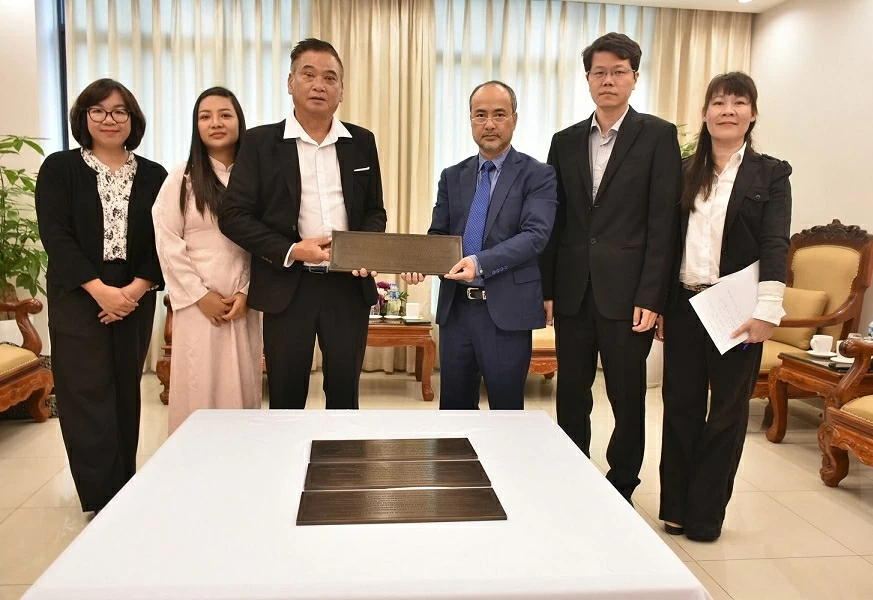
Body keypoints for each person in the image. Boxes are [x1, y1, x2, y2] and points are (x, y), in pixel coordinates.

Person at [539, 33, 681, 503]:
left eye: (618, 72)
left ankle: (622, 482)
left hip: (630, 297)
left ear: (634, 78)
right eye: (599, 72)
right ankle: (570, 469)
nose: (608, 80)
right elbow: (555, 220)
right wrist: (548, 288)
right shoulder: (564, 142)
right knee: (571, 393)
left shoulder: (658, 136)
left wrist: (653, 296)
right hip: (574, 290)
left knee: (627, 396)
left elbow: (664, 223)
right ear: (587, 80)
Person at [657, 72, 791, 541]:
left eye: (738, 102)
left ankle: (706, 515)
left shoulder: (771, 173)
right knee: (680, 408)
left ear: (752, 114)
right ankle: (674, 507)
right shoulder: (684, 169)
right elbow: (667, 243)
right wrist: (658, 305)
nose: (727, 110)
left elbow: (776, 245)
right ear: (706, 113)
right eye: (718, 102)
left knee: (727, 415)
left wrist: (768, 309)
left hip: (737, 308)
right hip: (686, 305)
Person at [218, 38, 386, 410]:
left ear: (341, 90)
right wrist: (293, 249)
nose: (319, 85)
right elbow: (233, 216)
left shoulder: (361, 141)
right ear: (290, 82)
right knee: (286, 394)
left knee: (345, 395)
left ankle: (342, 467)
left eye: (330, 77)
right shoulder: (260, 142)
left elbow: (376, 211)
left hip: (348, 287)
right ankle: (287, 467)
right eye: (308, 74)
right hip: (287, 287)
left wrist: (365, 246)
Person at [35, 78, 167, 513]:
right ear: (84, 117)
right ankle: (97, 497)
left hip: (135, 290)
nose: (110, 120)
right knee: (85, 391)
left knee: (124, 390)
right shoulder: (60, 168)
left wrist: (133, 290)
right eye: (99, 111)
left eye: (119, 112)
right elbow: (57, 236)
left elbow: (162, 241)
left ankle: (124, 489)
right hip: (79, 292)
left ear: (133, 119)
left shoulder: (154, 175)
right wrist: (99, 292)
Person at [402, 81, 556, 410]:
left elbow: (535, 236)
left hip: (506, 310)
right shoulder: (452, 176)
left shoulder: (538, 175)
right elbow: (439, 234)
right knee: (454, 411)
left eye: (499, 115)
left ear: (514, 119)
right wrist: (421, 260)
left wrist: (479, 262)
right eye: (480, 115)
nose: (489, 123)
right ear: (470, 120)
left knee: (506, 411)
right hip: (456, 311)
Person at [153, 87, 262, 434]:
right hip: (197, 306)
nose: (215, 123)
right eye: (205, 116)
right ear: (196, 126)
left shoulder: (256, 178)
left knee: (241, 387)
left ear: (239, 121)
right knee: (197, 389)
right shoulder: (182, 177)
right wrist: (201, 296)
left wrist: (247, 292)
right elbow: (167, 241)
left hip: (242, 304)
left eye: (225, 114)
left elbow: (263, 243)